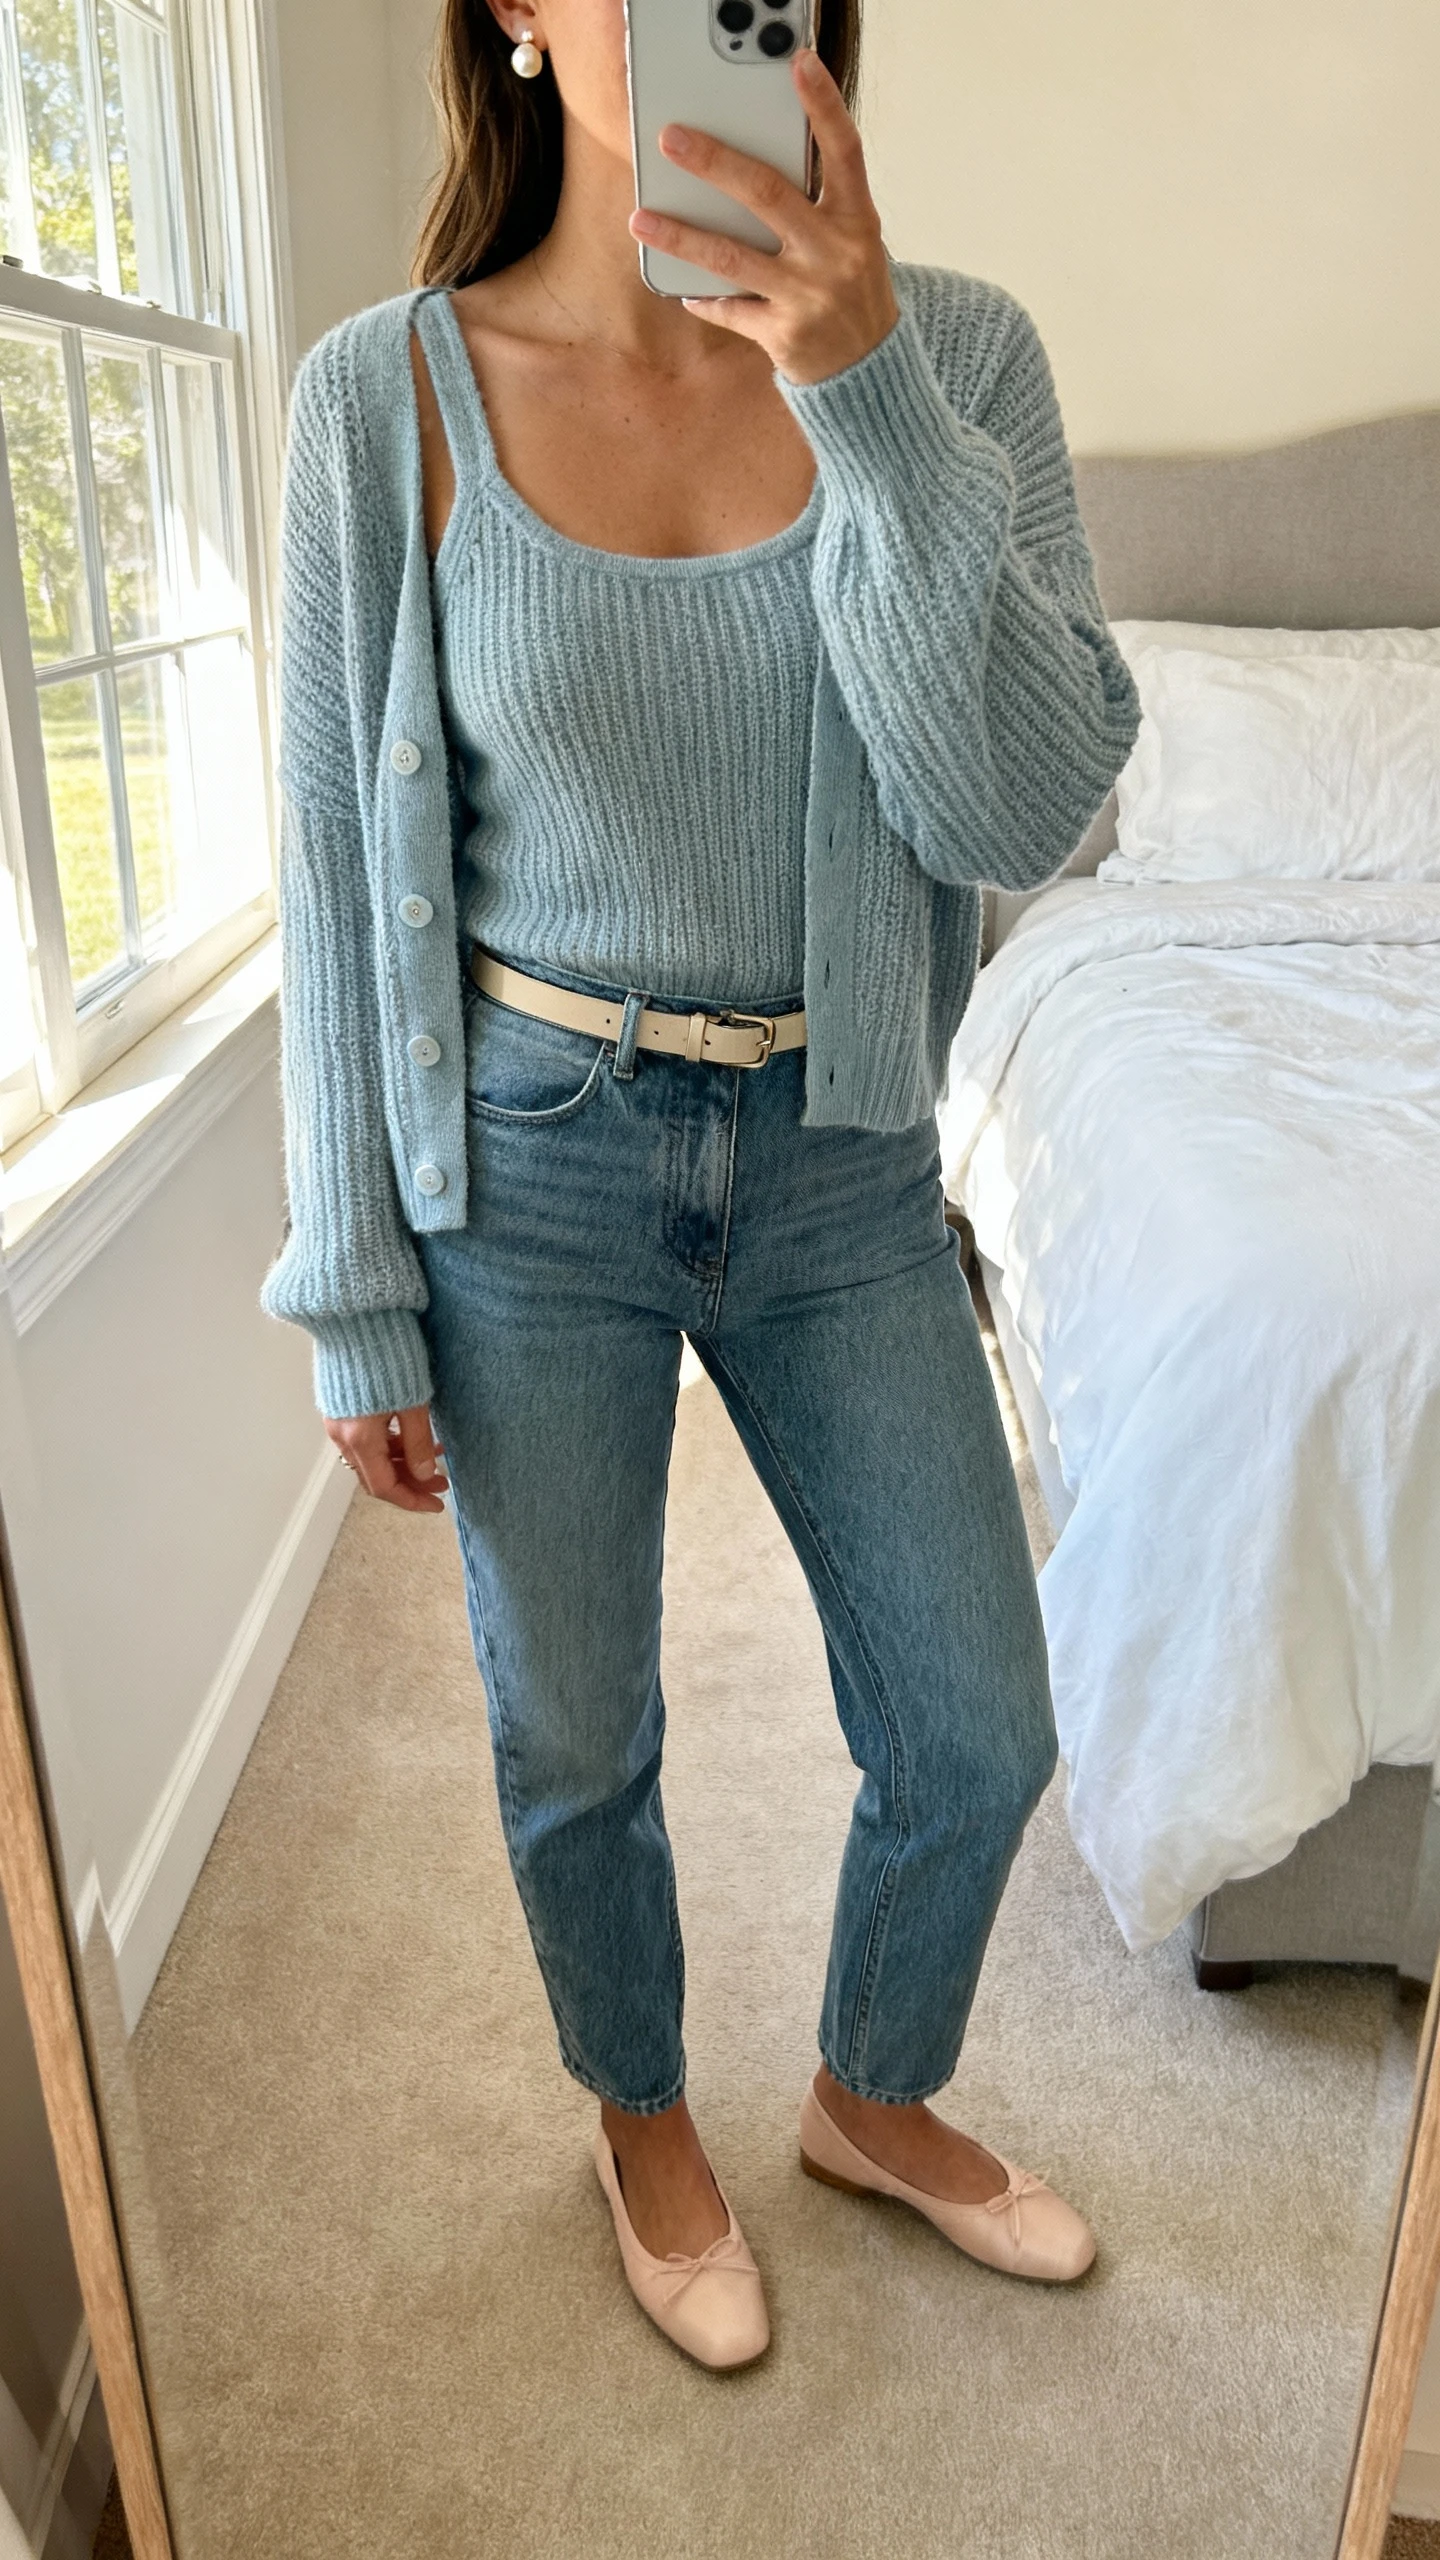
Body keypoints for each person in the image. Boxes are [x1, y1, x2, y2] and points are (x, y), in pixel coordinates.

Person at [260, 0, 1140, 2371]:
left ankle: (870, 2089)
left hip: (846, 1142)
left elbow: (1027, 809)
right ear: (522, 23)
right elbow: (342, 875)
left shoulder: (958, 359)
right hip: (527, 1159)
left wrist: (862, 393)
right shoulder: (386, 396)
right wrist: (352, 1276)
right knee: (574, 1730)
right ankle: (641, 2110)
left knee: (975, 1723)